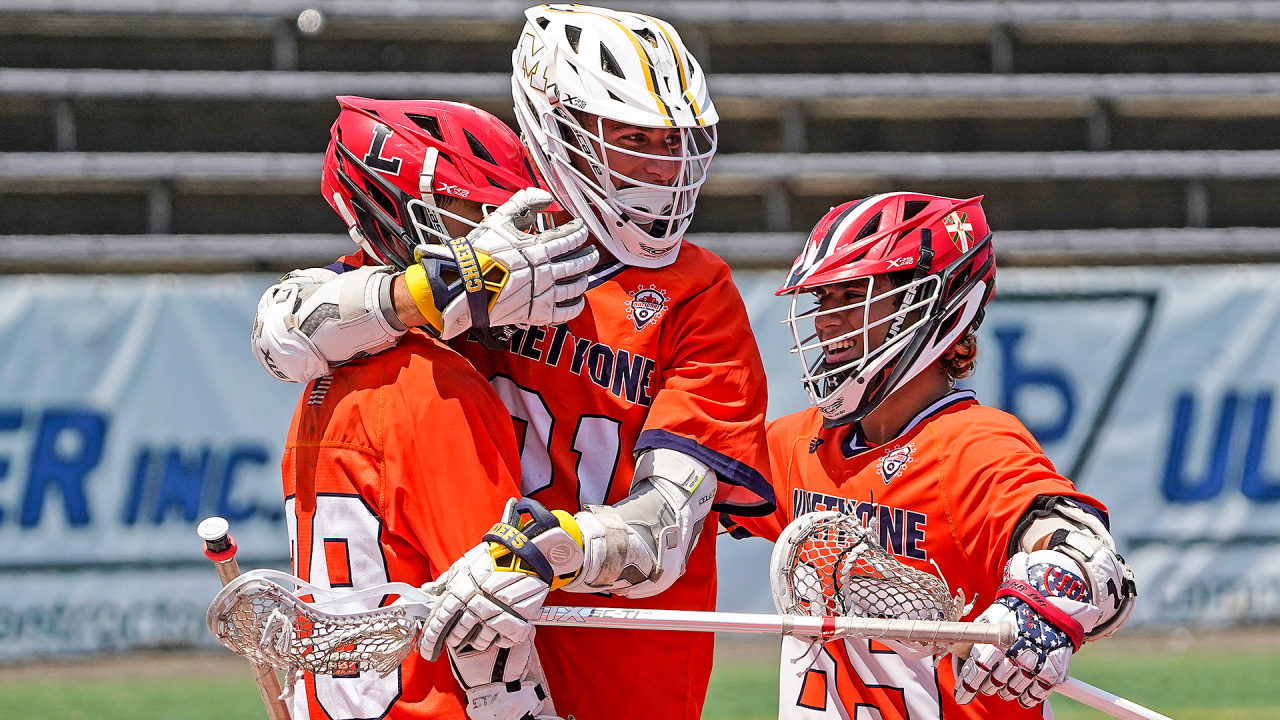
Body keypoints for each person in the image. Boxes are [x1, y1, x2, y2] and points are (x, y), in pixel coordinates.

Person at [252, 7, 774, 720]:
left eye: (674, 142)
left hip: (624, 672)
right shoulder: (486, 232)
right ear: (554, 127)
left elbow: (667, 528)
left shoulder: (698, 294)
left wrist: (551, 549)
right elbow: (283, 330)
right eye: (631, 139)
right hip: (477, 671)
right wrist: (437, 287)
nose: (661, 167)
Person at [728, 192, 1137, 719]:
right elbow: (674, 499)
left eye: (851, 294)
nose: (826, 321)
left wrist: (1042, 605)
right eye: (822, 300)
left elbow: (1088, 558)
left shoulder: (972, 445)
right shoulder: (799, 446)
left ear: (927, 306)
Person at [274, 97, 597, 720]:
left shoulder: (326, 380)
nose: (504, 239)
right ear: (397, 213)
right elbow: (492, 636)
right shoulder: (434, 386)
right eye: (475, 212)